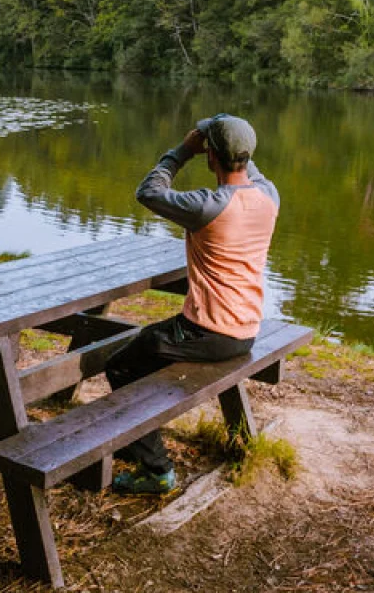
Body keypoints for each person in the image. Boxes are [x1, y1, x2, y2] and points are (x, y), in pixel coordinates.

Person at [105, 113, 280, 494]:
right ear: (248, 156)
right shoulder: (269, 196)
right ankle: (140, 440)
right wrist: (227, 136)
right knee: (148, 345)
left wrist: (182, 151)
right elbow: (245, 162)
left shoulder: (207, 206)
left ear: (209, 158)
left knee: (121, 365)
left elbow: (148, 191)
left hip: (209, 332)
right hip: (248, 329)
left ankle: (156, 470)